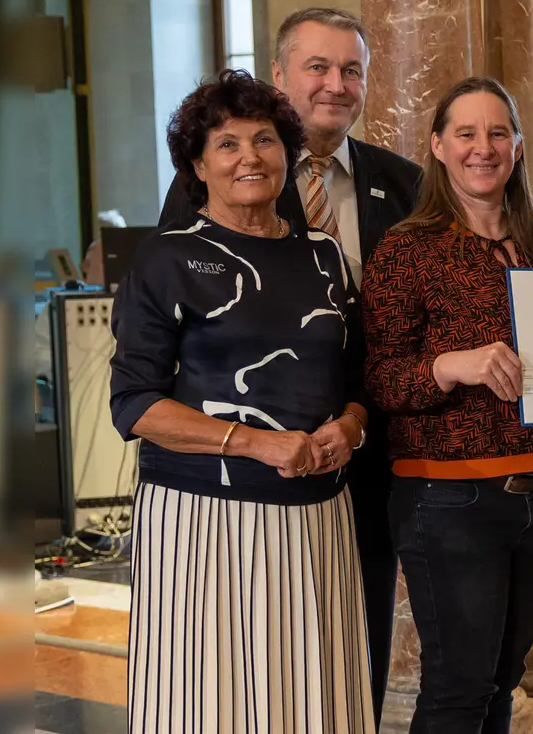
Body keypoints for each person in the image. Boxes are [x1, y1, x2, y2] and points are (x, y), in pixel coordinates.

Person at [159, 7, 418, 720]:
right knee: (240, 656)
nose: (335, 84)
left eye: (351, 70)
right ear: (280, 76)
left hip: (364, 446)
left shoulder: (403, 183)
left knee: (346, 632)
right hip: (236, 469)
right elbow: (170, 337)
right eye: (318, 66)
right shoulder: (208, 188)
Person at [110, 69, 372, 732]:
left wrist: (350, 425)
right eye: (226, 144)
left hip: (317, 514)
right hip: (203, 516)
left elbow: (355, 376)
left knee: (316, 692)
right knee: (207, 697)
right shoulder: (165, 258)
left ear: (288, 154)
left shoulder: (324, 256)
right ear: (198, 165)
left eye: (264, 140)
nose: (249, 156)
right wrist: (256, 442)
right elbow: (134, 402)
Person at [362, 77, 533, 732]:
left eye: (498, 132)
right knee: (458, 691)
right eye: (467, 133)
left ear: (517, 146)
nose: (483, 148)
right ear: (438, 146)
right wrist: (450, 367)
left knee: (499, 687)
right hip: (450, 503)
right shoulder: (408, 248)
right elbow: (379, 379)